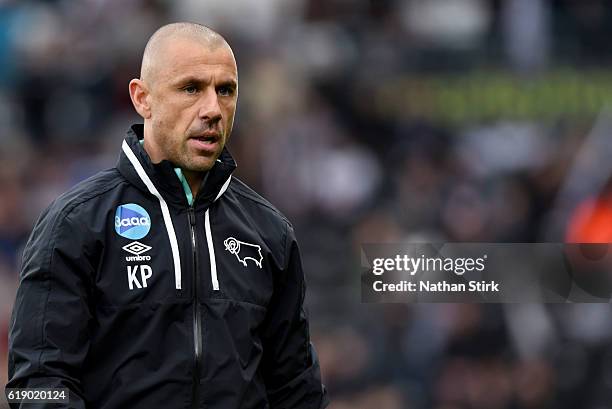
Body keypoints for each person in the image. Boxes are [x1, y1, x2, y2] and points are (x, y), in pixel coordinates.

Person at [7, 22, 329, 409]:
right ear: (142, 98)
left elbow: (297, 390)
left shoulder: (270, 232)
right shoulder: (75, 223)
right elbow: (36, 385)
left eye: (225, 90)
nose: (212, 109)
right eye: (191, 88)